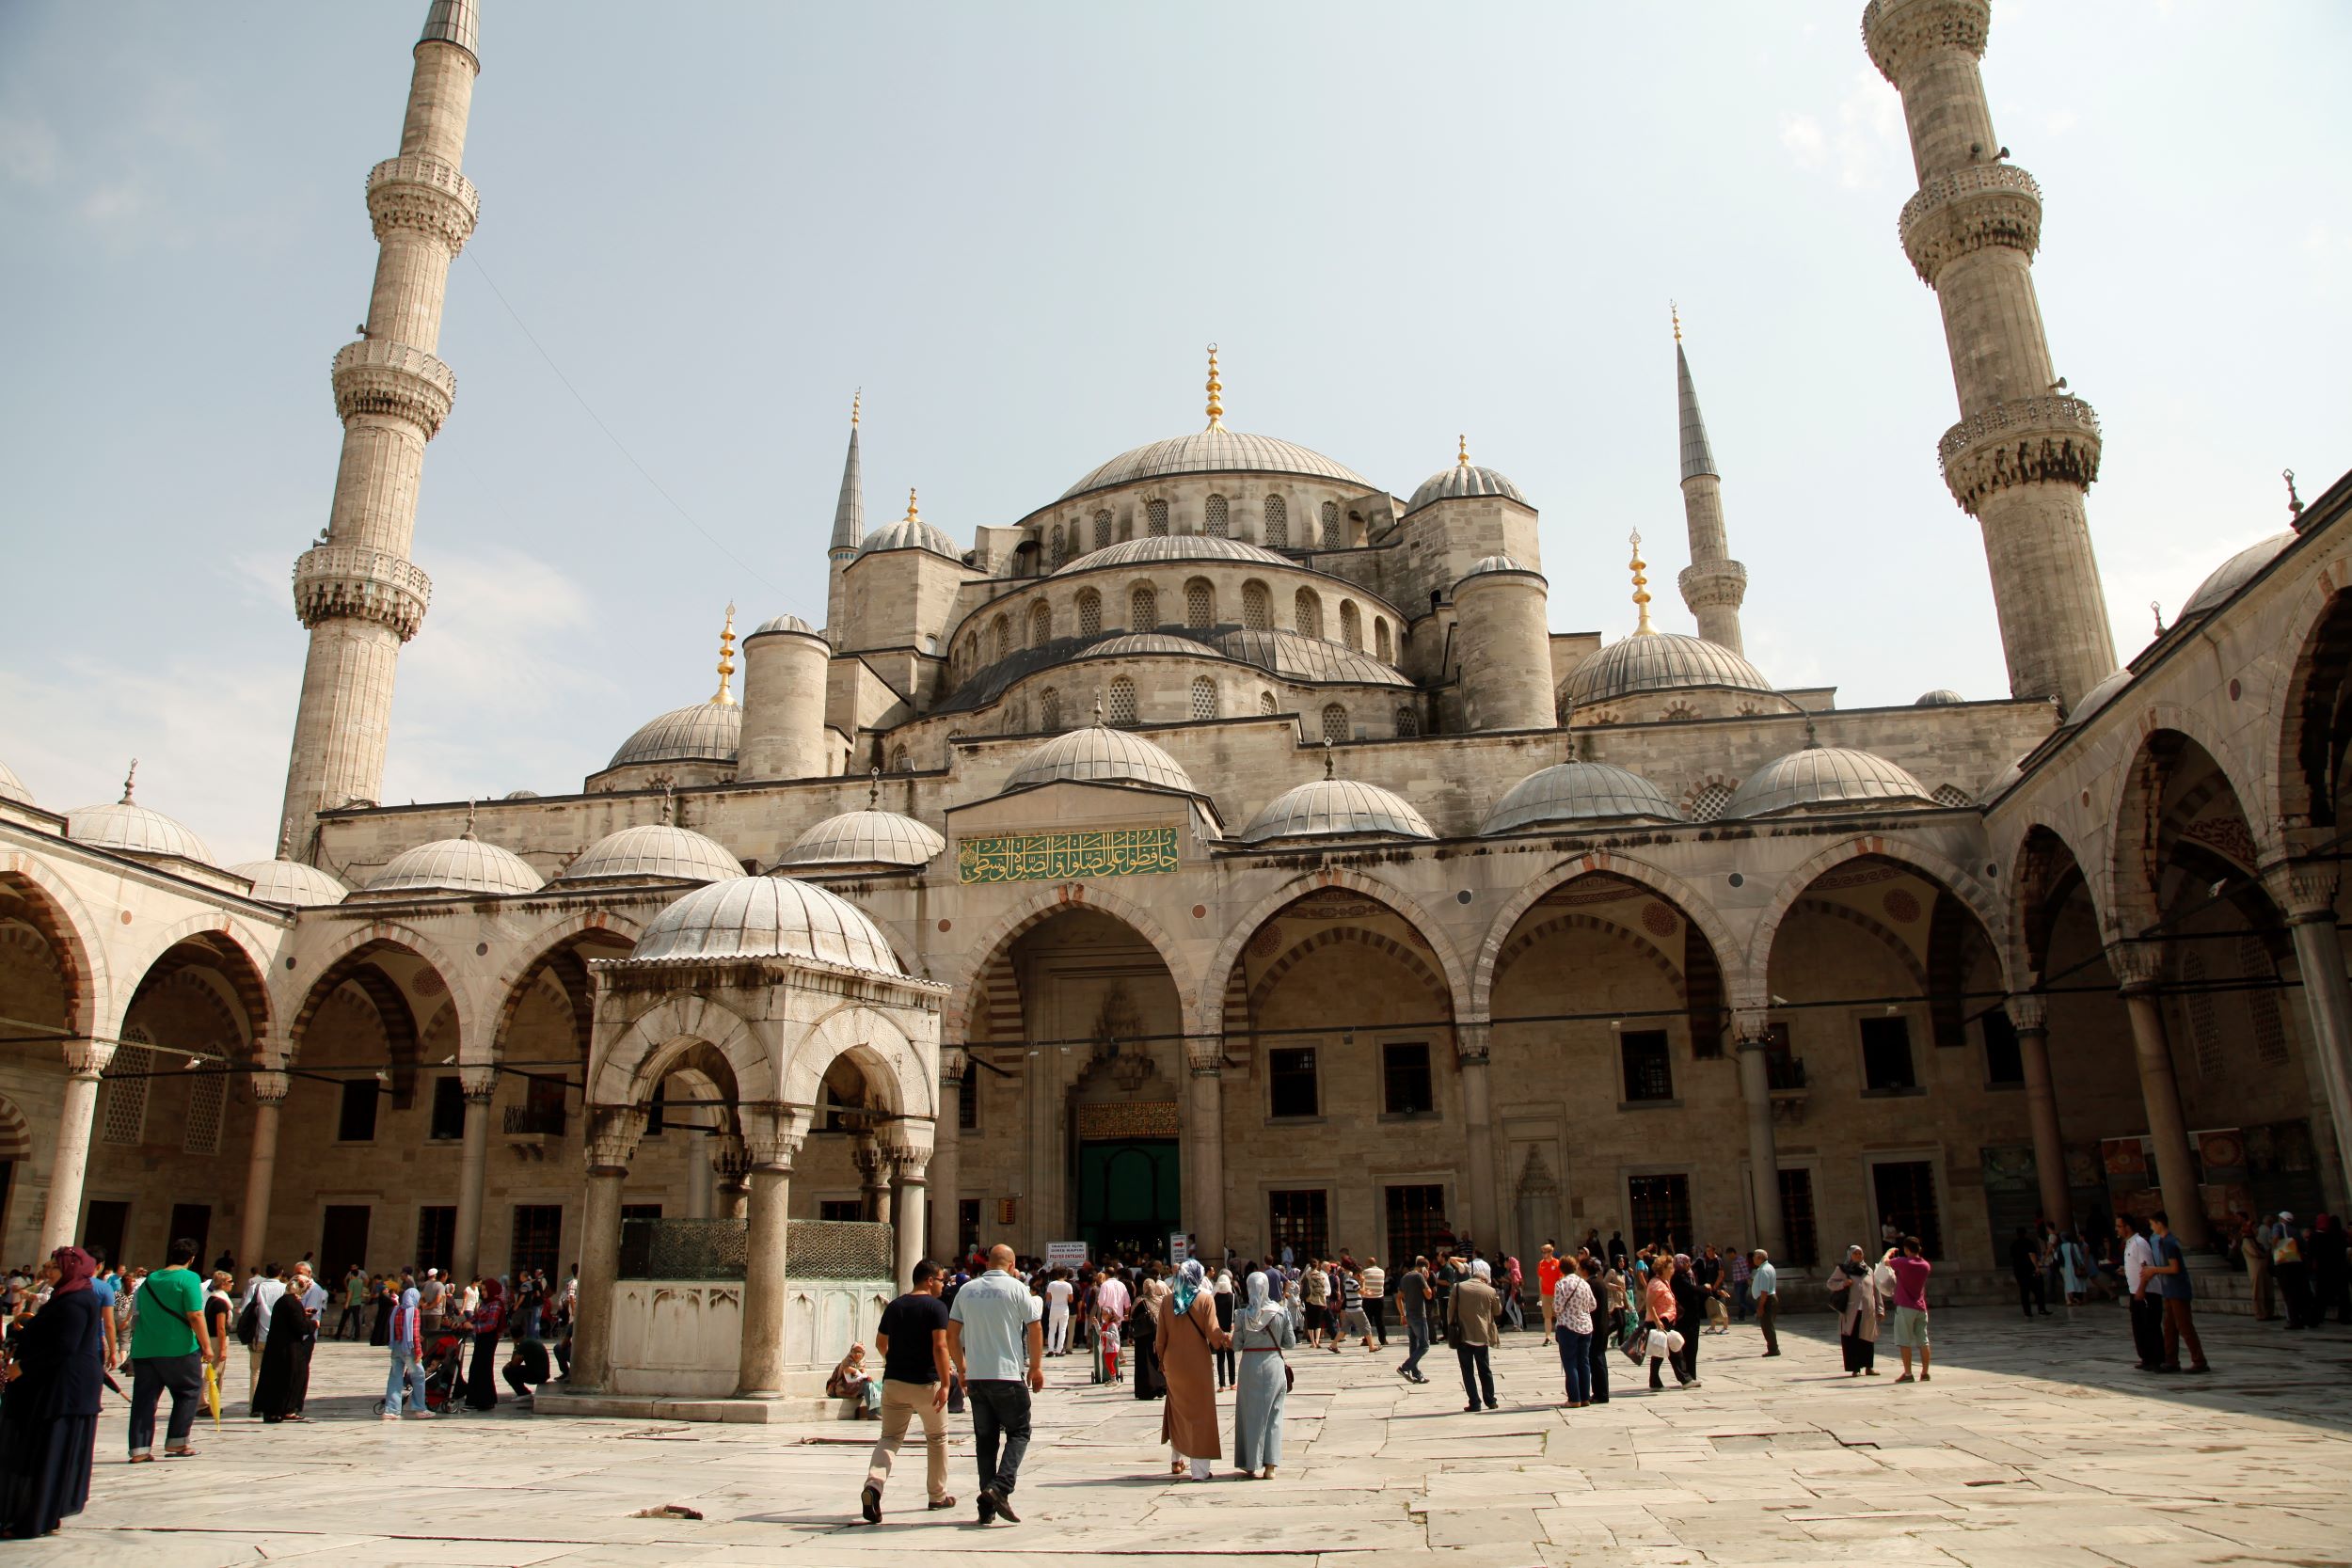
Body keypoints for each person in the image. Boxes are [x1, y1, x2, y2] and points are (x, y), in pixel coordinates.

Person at [0, 1248, 103, 1538]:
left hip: (63, 1390)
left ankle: (33, 1521)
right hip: (62, 1387)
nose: (47, 1271)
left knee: (47, 1455)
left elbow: (64, 1347)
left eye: (53, 1267)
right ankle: (44, 1514)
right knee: (48, 1454)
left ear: (70, 1269)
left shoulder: (74, 1301)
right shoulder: (69, 1296)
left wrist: (24, 1366)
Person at [947, 1244, 1044, 1526]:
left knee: (985, 1442)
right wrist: (1036, 1367)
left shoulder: (967, 1290)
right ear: (1012, 1264)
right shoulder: (1016, 1288)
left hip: (977, 1377)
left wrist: (962, 1368)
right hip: (1007, 1375)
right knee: (1019, 1431)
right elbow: (1035, 1326)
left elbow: (951, 1334)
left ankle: (986, 1508)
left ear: (988, 1262)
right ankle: (1000, 1488)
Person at [860, 1259, 955, 1523]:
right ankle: (937, 1495)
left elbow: (880, 1343)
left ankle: (874, 1486)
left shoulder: (895, 1306)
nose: (943, 1286)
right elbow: (940, 1347)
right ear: (929, 1280)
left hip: (895, 1383)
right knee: (936, 1438)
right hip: (926, 1384)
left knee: (889, 1438)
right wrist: (946, 1384)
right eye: (941, 1281)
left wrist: (895, 1360)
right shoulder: (936, 1307)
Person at [126, 1237, 215, 1463]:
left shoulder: (149, 1280)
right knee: (188, 1391)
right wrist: (206, 1345)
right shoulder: (189, 1278)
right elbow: (195, 1314)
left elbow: (138, 1312)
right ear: (192, 1258)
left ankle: (139, 1449)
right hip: (179, 1347)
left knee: (144, 1399)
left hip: (145, 1348)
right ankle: (177, 1441)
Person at [1155, 1259, 1227, 1481]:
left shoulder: (1168, 1301)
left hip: (1173, 1363)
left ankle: (1177, 1459)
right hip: (1197, 1363)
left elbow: (1160, 1340)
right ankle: (1199, 1471)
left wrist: (1162, 1362)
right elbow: (1214, 1334)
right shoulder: (1205, 1299)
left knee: (1177, 1410)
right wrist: (1228, 1339)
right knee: (1201, 1413)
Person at [1231, 1272, 1293, 1480]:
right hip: (1273, 1363)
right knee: (1274, 1415)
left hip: (1250, 1365)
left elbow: (1236, 1345)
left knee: (1249, 1415)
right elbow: (1290, 1342)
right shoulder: (1281, 1312)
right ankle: (1270, 1466)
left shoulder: (1241, 1315)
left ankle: (1251, 1462)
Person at [2139, 1212, 2209, 1373]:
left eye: (2152, 1224)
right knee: (2169, 1326)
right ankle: (2171, 1360)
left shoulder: (2169, 1243)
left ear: (2159, 1223)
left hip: (2178, 1289)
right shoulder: (2163, 1242)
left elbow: (2174, 1267)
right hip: (2169, 1290)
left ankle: (2199, 1361)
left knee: (2184, 1326)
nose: (2151, 1228)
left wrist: (2153, 1270)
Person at [249, 1272, 314, 1423]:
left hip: (279, 1347)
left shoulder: (285, 1301)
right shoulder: (292, 1302)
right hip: (288, 1349)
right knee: (286, 1379)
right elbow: (301, 1327)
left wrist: (301, 1314)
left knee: (281, 1378)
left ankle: (281, 1409)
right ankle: (281, 1410)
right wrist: (313, 1324)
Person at [1447, 1258, 1501, 1412]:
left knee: (1467, 1370)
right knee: (1485, 1369)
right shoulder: (1490, 1290)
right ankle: (1490, 1400)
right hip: (1482, 1335)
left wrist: (1451, 1325)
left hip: (1463, 1335)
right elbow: (1497, 1311)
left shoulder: (1458, 1287)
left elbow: (1450, 1311)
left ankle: (1475, 1402)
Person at [2119, 1215, 2163, 1370]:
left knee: (2150, 1325)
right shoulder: (2129, 1244)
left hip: (2147, 1291)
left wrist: (2142, 1289)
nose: (2117, 1230)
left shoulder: (2139, 1243)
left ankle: (2156, 1359)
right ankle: (2146, 1357)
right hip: (2135, 1291)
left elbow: (2146, 1268)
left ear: (2128, 1227)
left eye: (2119, 1226)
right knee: (2139, 1326)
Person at [1829, 1244, 1881, 1377]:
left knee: (1867, 1339)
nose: (1858, 1255)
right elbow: (1830, 1283)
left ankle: (1869, 1367)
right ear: (1850, 1255)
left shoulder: (1868, 1270)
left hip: (1867, 1310)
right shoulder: (1843, 1269)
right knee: (1852, 1340)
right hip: (1851, 1310)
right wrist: (1843, 1284)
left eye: (1860, 1253)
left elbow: (1875, 1290)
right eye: (1855, 1253)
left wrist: (1880, 1308)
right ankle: (1855, 1368)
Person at [1886, 1235, 1932, 1384]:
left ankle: (1908, 1373)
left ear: (1906, 1249)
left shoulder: (1903, 1262)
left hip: (1905, 1307)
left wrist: (1889, 1253)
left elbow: (1885, 1263)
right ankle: (1925, 1372)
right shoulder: (1925, 1265)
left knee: (1904, 1341)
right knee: (1923, 1341)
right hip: (1920, 1307)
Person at [1551, 1256, 1596, 1407]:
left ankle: (1574, 1398)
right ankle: (1585, 1397)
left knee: (1570, 1363)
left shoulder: (1561, 1284)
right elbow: (1593, 1305)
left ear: (1561, 1269)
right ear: (1575, 1267)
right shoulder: (1584, 1283)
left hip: (1567, 1326)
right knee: (1584, 1362)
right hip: (1586, 1326)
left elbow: (1557, 1307)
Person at [384, 1281, 430, 1420]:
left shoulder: (396, 1309)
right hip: (409, 1349)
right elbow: (414, 1334)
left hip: (396, 1347)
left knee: (395, 1378)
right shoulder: (414, 1311)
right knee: (419, 1376)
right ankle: (420, 1408)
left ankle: (391, 1410)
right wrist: (418, 1352)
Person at [464, 1276, 504, 1411]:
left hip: (489, 1339)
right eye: (482, 1290)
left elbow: (491, 1324)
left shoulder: (496, 1304)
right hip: (481, 1339)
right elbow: (475, 1318)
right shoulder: (485, 1303)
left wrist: (473, 1328)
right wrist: (462, 1324)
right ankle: (474, 1399)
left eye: (485, 1290)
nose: (483, 1292)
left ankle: (486, 1400)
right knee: (475, 1368)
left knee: (484, 1369)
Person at [1394, 1256, 1434, 1385]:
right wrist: (1426, 1280)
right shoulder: (1419, 1277)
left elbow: (1398, 1297)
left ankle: (1416, 1374)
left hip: (1409, 1315)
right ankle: (1405, 1368)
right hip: (1418, 1315)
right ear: (1424, 1268)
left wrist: (1402, 1314)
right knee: (1424, 1346)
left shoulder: (1405, 1277)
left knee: (1414, 1345)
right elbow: (1428, 1295)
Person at [1129, 1273, 1166, 1402]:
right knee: (1157, 1359)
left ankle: (1146, 1390)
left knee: (1144, 1362)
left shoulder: (1139, 1300)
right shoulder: (1161, 1300)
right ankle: (1161, 1386)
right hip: (1158, 1334)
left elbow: (1132, 1316)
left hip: (1142, 1336)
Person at [828, 1343, 883, 1418]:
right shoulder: (847, 1362)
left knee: (875, 1385)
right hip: (842, 1388)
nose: (857, 1354)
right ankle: (873, 1413)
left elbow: (864, 1374)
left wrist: (866, 1377)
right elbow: (849, 1380)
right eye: (855, 1351)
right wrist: (858, 1373)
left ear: (863, 1354)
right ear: (851, 1352)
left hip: (853, 1387)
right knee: (867, 1384)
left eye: (859, 1352)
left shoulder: (861, 1362)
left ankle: (878, 1411)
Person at [2008, 1227, 2047, 1319]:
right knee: (2038, 1290)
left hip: (2019, 1270)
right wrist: (2037, 1267)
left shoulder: (2014, 1244)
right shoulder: (2028, 1242)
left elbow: (2012, 1256)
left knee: (2024, 1292)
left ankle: (2027, 1312)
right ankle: (2041, 1309)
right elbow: (2032, 1254)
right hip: (2029, 1269)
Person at [2241, 1214, 2275, 1322]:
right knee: (2258, 1292)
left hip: (2264, 1269)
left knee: (2268, 1290)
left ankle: (2269, 1313)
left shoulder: (2256, 1241)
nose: (2256, 1230)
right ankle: (2260, 1313)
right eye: (2254, 1228)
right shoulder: (2247, 1241)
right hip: (2256, 1270)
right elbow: (2255, 1253)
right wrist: (2265, 1254)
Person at [503, 1336, 551, 1403]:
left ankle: (523, 1393)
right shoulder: (529, 1341)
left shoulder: (524, 1344)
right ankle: (524, 1393)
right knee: (512, 1369)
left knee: (507, 1371)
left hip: (538, 1376)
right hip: (543, 1374)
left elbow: (515, 1364)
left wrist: (515, 1347)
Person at [1211, 1269, 1238, 1390]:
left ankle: (1222, 1384)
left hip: (1218, 1330)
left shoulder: (1214, 1297)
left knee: (1220, 1357)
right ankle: (1232, 1383)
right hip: (1230, 1330)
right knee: (1231, 1357)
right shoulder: (1232, 1297)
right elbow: (1237, 1312)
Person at [1751, 1250, 1780, 1356]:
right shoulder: (1769, 1267)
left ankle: (1773, 1349)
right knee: (1767, 1325)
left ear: (1760, 1258)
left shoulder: (1764, 1270)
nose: (1753, 1259)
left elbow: (1764, 1291)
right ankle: (1773, 1347)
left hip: (1767, 1299)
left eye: (1754, 1257)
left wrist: (1761, 1306)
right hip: (1769, 1298)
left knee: (1767, 1325)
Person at [1043, 1270, 1073, 1356]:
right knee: (1062, 1330)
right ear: (1065, 1276)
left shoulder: (1051, 1284)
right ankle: (1059, 1351)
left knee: (1052, 1330)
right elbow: (1071, 1300)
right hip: (1064, 1309)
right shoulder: (1068, 1285)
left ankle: (1050, 1350)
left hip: (1053, 1309)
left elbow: (1048, 1298)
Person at [1359, 1256, 1387, 1347]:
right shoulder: (1382, 1271)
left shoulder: (1365, 1272)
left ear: (1368, 1263)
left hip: (1368, 1299)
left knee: (1367, 1321)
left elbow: (1362, 1282)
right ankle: (1383, 1339)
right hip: (1379, 1298)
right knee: (1380, 1320)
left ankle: (1367, 1340)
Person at [1536, 1243, 1563, 1338]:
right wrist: (1540, 1294)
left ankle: (1560, 1335)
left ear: (1551, 1252)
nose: (1543, 1254)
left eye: (1545, 1252)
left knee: (1559, 1315)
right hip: (1545, 1294)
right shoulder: (1541, 1264)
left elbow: (1561, 1279)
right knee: (1547, 1316)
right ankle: (1548, 1337)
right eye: (1542, 1252)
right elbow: (1540, 1279)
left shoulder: (1557, 1263)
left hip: (1556, 1294)